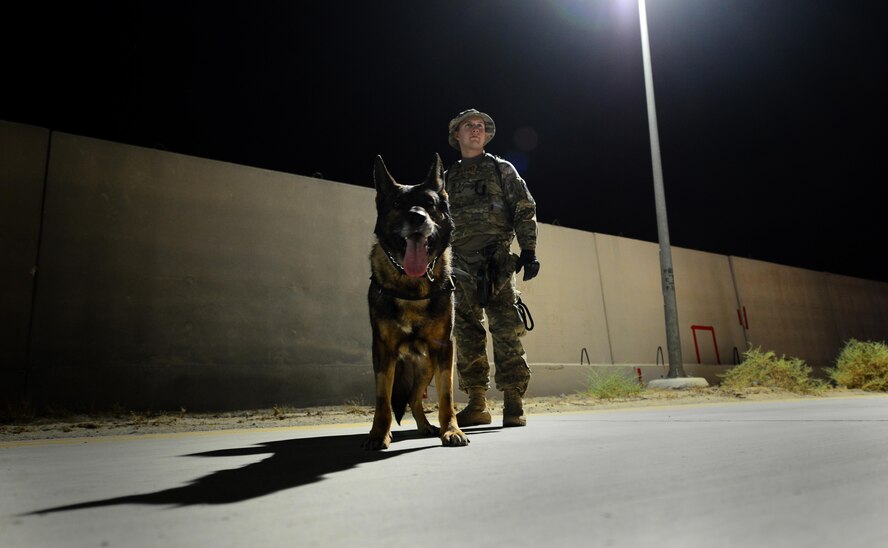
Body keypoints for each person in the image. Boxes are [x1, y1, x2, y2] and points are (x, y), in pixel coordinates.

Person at [444, 108, 540, 427]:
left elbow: (524, 208)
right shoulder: (448, 177)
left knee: (505, 328)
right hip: (459, 265)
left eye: (480, 126)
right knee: (466, 333)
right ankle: (477, 404)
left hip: (496, 261)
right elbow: (439, 221)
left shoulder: (502, 169)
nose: (476, 129)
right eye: (468, 125)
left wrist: (528, 250)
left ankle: (513, 402)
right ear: (456, 134)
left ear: (486, 135)